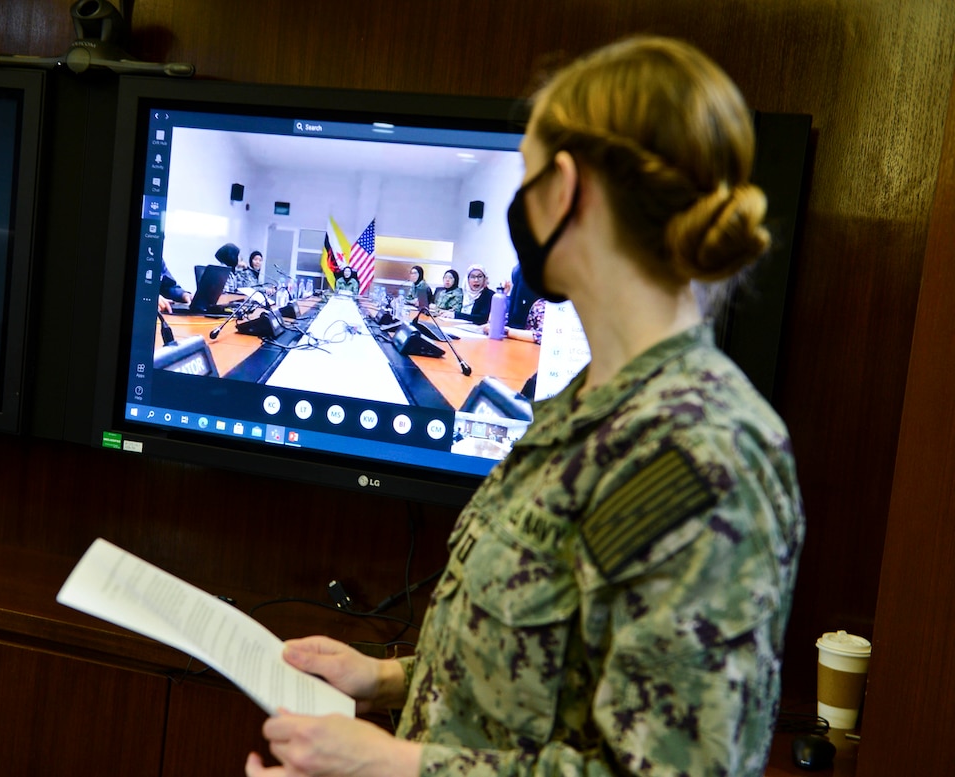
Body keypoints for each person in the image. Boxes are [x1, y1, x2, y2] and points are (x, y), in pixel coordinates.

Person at [246, 35, 805, 777]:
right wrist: (387, 680)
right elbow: (551, 671)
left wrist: (395, 768)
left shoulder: (700, 450)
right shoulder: (595, 403)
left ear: (566, 188)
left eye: (525, 175)